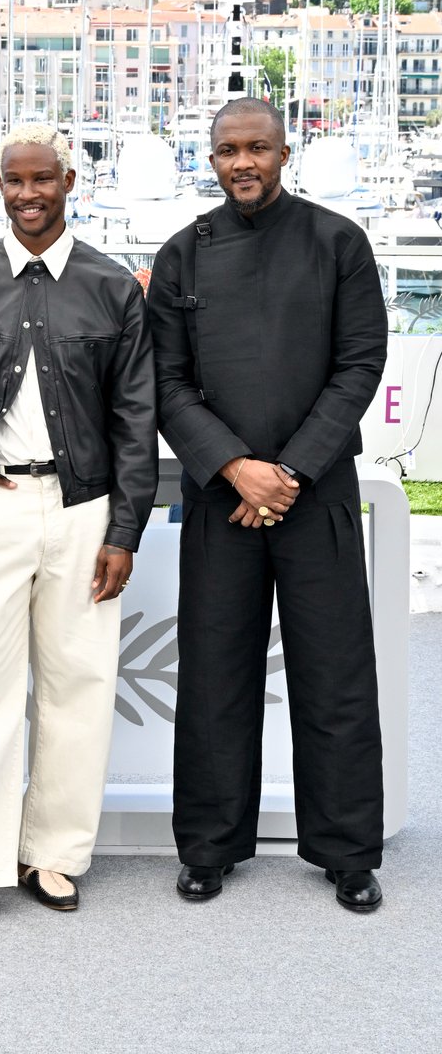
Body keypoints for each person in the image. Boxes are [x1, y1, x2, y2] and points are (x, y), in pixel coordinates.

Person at [0, 122, 158, 944]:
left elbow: (133, 420)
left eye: (41, 179)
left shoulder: (112, 287)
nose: (26, 195)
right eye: (12, 181)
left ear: (68, 182)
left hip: (84, 510)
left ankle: (51, 854)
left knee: (77, 688)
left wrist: (123, 529)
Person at [147, 98, 388, 912]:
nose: (240, 163)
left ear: (286, 152)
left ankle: (348, 852)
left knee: (335, 675)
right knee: (214, 676)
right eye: (225, 150)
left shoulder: (337, 243)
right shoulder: (181, 256)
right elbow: (166, 384)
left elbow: (359, 364)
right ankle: (208, 848)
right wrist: (233, 468)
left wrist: (285, 472)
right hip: (221, 499)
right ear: (209, 159)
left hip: (314, 493)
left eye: (256, 148)